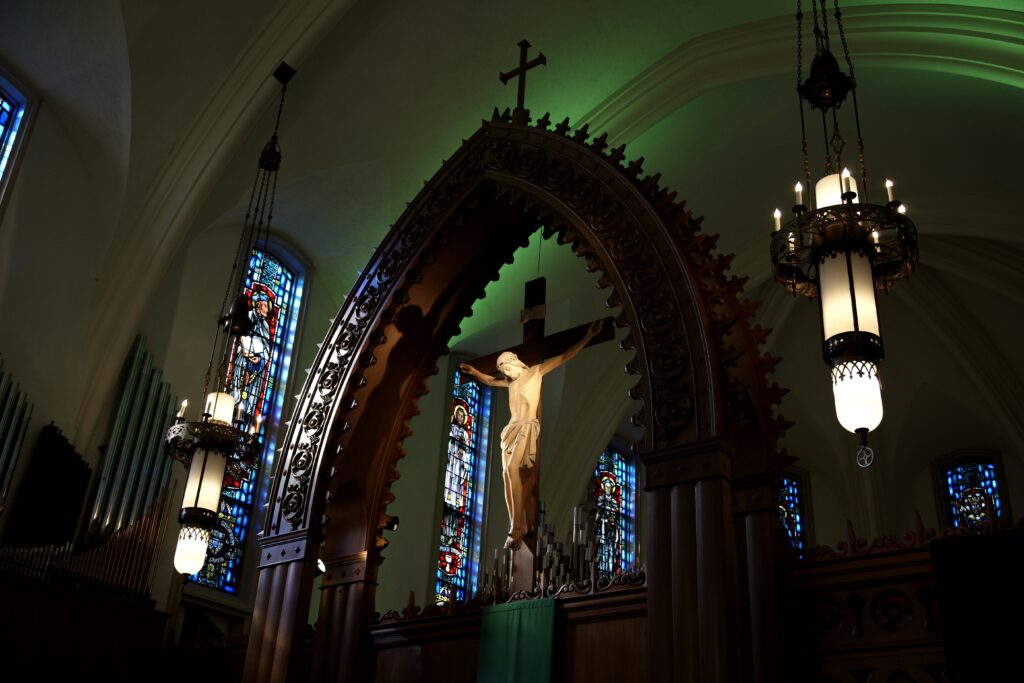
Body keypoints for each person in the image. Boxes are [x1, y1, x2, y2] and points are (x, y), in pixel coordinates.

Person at [460, 319, 603, 550]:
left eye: (507, 367)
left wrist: (587, 337)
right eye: (503, 370)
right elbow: (488, 380)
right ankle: (515, 522)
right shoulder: (511, 384)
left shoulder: (535, 372)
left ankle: (517, 527)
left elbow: (564, 357)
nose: (506, 372)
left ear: (515, 362)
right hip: (510, 429)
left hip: (526, 426)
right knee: (506, 475)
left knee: (512, 469)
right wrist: (474, 371)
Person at [231, 292, 273, 419]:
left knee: (251, 399)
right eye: (265, 305)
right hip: (243, 361)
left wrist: (260, 359)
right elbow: (241, 338)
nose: (267, 309)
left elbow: (267, 346)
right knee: (238, 389)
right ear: (258, 305)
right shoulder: (248, 316)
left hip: (258, 367)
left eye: (267, 306)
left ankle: (246, 418)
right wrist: (247, 355)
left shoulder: (265, 325)